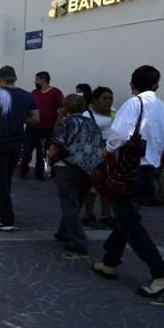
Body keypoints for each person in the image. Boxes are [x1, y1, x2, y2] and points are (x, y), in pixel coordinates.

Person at [92, 65, 164, 297]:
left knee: (129, 222)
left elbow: (119, 134)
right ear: (156, 85)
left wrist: (106, 151)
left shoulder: (134, 104)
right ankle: (109, 260)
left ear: (133, 84)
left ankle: (161, 272)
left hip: (128, 171)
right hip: (149, 170)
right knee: (127, 217)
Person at [47, 94, 104, 254]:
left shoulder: (66, 123)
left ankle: (79, 241)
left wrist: (49, 160)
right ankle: (64, 231)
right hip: (88, 168)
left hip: (68, 166)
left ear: (65, 107)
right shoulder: (91, 123)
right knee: (76, 202)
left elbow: (56, 145)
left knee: (69, 203)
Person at [0, 65, 39, 231]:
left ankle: (6, 219)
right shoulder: (28, 96)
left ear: (0, 79)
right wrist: (21, 119)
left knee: (1, 181)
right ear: (14, 78)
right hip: (17, 142)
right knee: (6, 178)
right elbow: (36, 119)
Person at [83, 86, 116, 227]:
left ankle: (106, 215)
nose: (108, 101)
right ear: (94, 100)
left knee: (107, 187)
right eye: (104, 98)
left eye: (110, 98)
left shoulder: (114, 113)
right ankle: (88, 215)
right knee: (92, 187)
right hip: (93, 155)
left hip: (111, 155)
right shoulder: (86, 115)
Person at [22, 71, 63, 180]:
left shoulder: (55, 92)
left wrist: (56, 125)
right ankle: (23, 171)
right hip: (32, 128)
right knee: (26, 150)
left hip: (46, 129)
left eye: (36, 79)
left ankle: (39, 174)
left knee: (42, 153)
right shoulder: (34, 93)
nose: (35, 82)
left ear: (42, 80)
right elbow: (28, 107)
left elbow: (61, 110)